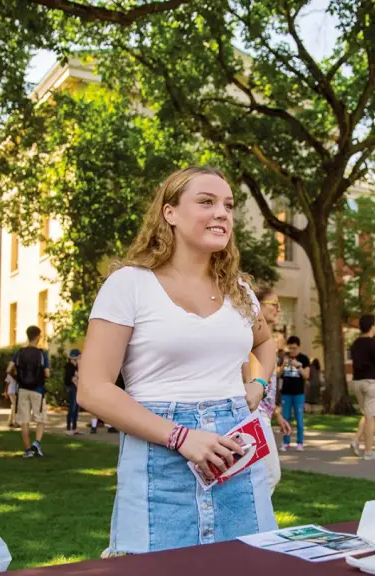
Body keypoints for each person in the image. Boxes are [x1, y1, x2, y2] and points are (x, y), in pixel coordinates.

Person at [76, 166, 278, 555]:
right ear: (169, 213)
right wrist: (181, 437)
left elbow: (265, 342)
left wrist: (258, 385)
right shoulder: (129, 284)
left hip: (236, 452)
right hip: (160, 456)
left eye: (228, 205)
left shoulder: (239, 291)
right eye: (206, 202)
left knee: (248, 564)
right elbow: (93, 389)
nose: (222, 213)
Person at [242, 288, 292, 494]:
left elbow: (267, 386)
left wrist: (278, 415)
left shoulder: (267, 340)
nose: (279, 309)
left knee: (260, 475)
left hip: (264, 412)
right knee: (269, 475)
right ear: (257, 304)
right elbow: (246, 377)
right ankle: (258, 523)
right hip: (253, 413)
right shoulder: (250, 337)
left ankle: (255, 522)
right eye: (274, 304)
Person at [7, 325, 50, 457]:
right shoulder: (42, 354)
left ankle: (28, 451)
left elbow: (9, 369)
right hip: (38, 389)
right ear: (37, 336)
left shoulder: (19, 353)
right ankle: (36, 443)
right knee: (40, 419)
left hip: (23, 389)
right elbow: (47, 373)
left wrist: (18, 377)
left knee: (24, 420)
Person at [349, 314, 375, 460]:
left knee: (366, 414)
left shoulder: (354, 344)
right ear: (372, 326)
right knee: (372, 417)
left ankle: (356, 439)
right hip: (372, 382)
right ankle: (369, 451)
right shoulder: (374, 344)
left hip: (357, 382)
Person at [65, 349, 81, 435]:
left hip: (76, 388)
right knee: (72, 407)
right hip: (72, 388)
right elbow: (71, 379)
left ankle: (74, 428)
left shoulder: (77, 366)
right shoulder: (69, 366)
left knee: (76, 408)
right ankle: (68, 428)